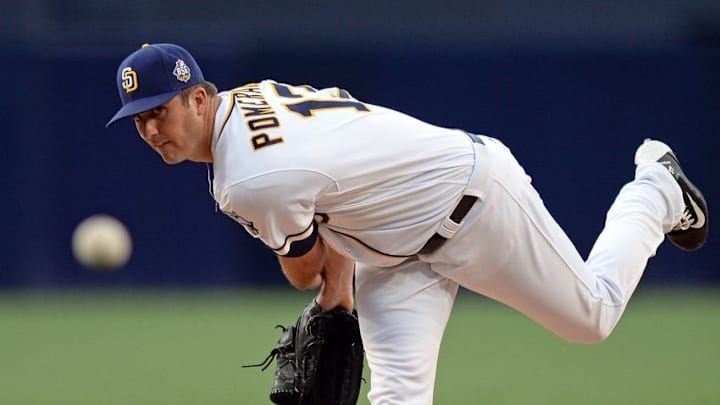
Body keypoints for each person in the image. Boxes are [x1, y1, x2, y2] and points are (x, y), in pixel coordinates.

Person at [107, 43, 708, 404]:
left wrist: (332, 300)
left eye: (160, 111)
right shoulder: (249, 100)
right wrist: (338, 293)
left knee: (592, 317)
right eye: (138, 120)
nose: (153, 130)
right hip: (392, 250)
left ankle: (656, 187)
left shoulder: (247, 179)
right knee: (398, 398)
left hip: (473, 204)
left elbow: (304, 272)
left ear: (199, 99)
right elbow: (327, 197)